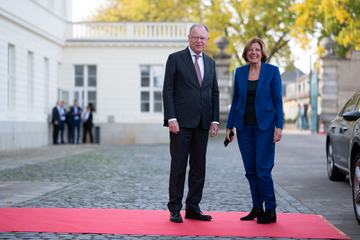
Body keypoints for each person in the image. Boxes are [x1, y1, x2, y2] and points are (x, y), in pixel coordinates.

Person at [162, 23, 220, 223]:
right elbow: (168, 90)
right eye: (195, 37)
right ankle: (175, 208)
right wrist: (171, 118)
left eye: (202, 38)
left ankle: (193, 207)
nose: (199, 41)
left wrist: (214, 119)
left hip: (203, 123)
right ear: (188, 38)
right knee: (178, 166)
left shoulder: (211, 63)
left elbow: (214, 93)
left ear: (207, 40)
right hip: (180, 123)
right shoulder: (175, 59)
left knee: (198, 167)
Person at [225, 37, 283, 224]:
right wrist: (229, 126)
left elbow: (277, 100)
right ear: (246, 53)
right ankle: (257, 208)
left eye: (257, 49)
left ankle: (271, 209)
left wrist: (279, 126)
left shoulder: (272, 71)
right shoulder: (240, 72)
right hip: (243, 128)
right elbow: (235, 101)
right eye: (250, 50)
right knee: (250, 170)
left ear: (262, 52)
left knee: (263, 169)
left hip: (265, 127)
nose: (254, 53)